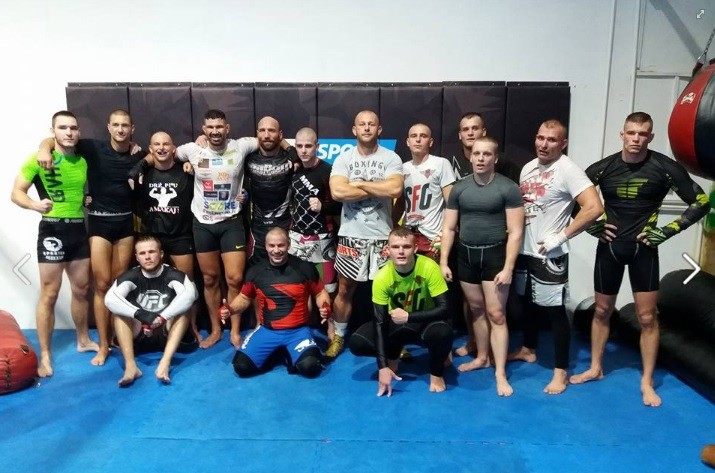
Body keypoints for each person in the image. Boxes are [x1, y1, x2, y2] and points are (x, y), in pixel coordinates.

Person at [570, 112, 710, 407]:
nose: (636, 139)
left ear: (650, 137)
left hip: (644, 250)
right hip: (610, 249)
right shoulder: (603, 168)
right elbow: (572, 200)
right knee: (601, 311)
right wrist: (594, 227)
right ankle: (595, 367)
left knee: (647, 317)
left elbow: (701, 201)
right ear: (622, 134)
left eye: (642, 134)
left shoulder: (665, 168)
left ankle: (647, 380)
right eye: (631, 133)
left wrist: (668, 231)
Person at [38, 109, 145, 366]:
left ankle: (118, 338)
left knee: (118, 286)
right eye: (115, 125)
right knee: (102, 285)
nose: (120, 129)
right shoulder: (93, 148)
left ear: (132, 129)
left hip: (125, 224)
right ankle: (104, 345)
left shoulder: (138, 154)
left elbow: (158, 155)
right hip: (99, 223)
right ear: (108, 127)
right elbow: (58, 140)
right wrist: (43, 148)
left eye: (125, 125)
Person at [506, 120, 603, 394]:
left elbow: (594, 207)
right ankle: (528, 349)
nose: (544, 144)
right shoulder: (528, 167)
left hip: (550, 253)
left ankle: (561, 371)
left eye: (551, 140)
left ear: (563, 143)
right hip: (525, 249)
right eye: (540, 138)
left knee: (555, 311)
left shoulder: (568, 169)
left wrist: (561, 236)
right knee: (527, 303)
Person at [11, 111, 98, 377]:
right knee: (50, 293)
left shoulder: (82, 160)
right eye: (62, 128)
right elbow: (16, 192)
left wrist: (85, 200)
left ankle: (83, 340)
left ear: (78, 131)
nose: (68, 132)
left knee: (82, 289)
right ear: (53, 131)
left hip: (77, 229)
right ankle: (46, 355)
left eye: (73, 128)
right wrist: (34, 205)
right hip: (52, 229)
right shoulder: (39, 158)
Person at [440, 136, 524, 396]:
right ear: (471, 156)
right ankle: (482, 357)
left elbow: (516, 231)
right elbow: (449, 228)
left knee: (496, 314)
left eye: (486, 154)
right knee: (476, 310)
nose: (480, 158)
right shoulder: (459, 188)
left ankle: (500, 373)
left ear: (495, 158)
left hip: (495, 256)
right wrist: (443, 260)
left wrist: (508, 267)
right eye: (477, 153)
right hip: (466, 256)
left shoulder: (508, 188)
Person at [173, 109, 258, 349]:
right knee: (210, 279)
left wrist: (292, 153)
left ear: (227, 128)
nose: (215, 131)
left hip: (232, 222)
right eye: (210, 128)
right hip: (203, 224)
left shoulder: (241, 146)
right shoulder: (193, 150)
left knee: (235, 279)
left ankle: (235, 330)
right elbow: (166, 153)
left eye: (219, 127)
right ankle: (215, 330)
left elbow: (270, 137)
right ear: (204, 129)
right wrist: (184, 164)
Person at [327, 110, 404, 359]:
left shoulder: (391, 158)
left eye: (372, 124)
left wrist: (359, 184)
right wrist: (377, 187)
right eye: (362, 124)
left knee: (389, 291)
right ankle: (339, 337)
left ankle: (395, 340)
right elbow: (338, 192)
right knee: (345, 289)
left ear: (379, 130)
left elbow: (395, 188)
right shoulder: (344, 159)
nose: (367, 128)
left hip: (382, 237)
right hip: (351, 235)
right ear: (354, 129)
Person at [349, 227, 453, 396]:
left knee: (443, 333)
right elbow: (379, 322)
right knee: (357, 343)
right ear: (387, 250)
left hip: (425, 324)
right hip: (396, 325)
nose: (401, 251)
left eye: (406, 246)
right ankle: (393, 354)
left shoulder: (429, 267)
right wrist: (382, 367)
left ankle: (436, 370)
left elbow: (445, 309)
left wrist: (409, 316)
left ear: (416, 248)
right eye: (396, 247)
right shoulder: (382, 277)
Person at [220, 227, 330, 378]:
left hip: (298, 332)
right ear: (265, 246)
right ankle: (278, 352)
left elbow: (320, 293)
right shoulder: (255, 272)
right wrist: (231, 309)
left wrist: (325, 306)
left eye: (281, 245)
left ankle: (288, 352)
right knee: (241, 367)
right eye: (272, 246)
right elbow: (244, 298)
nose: (276, 250)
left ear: (289, 244)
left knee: (310, 367)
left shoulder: (305, 268)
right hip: (267, 331)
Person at [105, 235, 197, 386]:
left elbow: (190, 295)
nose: (147, 257)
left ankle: (165, 363)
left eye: (151, 252)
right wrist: (141, 315)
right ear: (137, 257)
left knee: (184, 312)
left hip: (167, 331)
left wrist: (161, 318)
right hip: (141, 332)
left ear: (161, 254)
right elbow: (110, 299)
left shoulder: (173, 274)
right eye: (142, 253)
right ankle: (131, 367)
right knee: (119, 313)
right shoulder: (131, 276)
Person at [135, 132, 199, 341]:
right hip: (152, 237)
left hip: (181, 236)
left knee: (187, 285)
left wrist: (189, 162)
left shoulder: (186, 171)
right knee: (151, 285)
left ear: (174, 148)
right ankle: (151, 329)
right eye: (157, 144)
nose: (161, 148)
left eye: (166, 144)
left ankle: (190, 328)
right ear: (150, 149)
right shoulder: (143, 174)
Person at [288, 127, 341, 295]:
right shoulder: (293, 168)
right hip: (296, 237)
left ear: (317, 146)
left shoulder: (328, 171)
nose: (303, 150)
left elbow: (341, 205)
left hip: (323, 237)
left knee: (328, 289)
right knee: (298, 288)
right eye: (299, 146)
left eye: (308, 146)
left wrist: (323, 207)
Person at [393, 123, 456, 260]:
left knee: (431, 273)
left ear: (430, 142)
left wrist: (443, 234)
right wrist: (392, 228)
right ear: (408, 142)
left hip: (432, 237)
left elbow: (452, 203)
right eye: (414, 136)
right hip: (408, 235)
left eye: (423, 136)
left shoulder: (441, 164)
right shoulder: (402, 168)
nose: (418, 140)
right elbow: (401, 203)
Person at [244, 116, 296, 263]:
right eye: (262, 130)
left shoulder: (293, 158)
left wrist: (291, 150)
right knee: (256, 271)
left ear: (280, 134)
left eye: (271, 131)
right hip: (258, 228)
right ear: (257, 134)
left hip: (286, 226)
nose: (266, 135)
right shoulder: (247, 158)